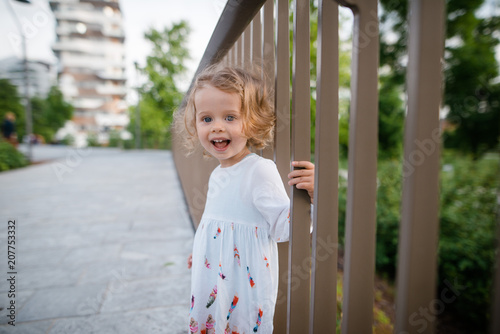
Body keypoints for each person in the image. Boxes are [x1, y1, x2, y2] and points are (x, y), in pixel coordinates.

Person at [175, 64, 314, 334]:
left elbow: (284, 227)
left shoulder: (259, 171)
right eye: (206, 119)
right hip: (212, 276)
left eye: (230, 117)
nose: (216, 127)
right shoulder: (218, 174)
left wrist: (312, 197)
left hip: (243, 287)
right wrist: (202, 250)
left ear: (252, 122)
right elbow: (214, 222)